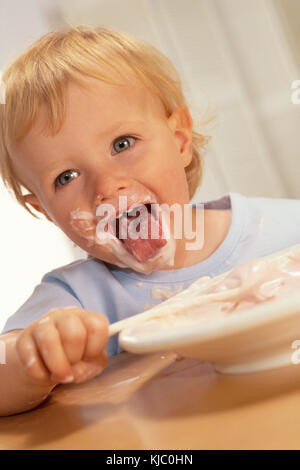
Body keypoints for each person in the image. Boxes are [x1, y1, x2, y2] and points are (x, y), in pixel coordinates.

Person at [0, 26, 300, 416]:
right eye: (66, 177)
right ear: (44, 210)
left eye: (122, 144)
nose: (107, 186)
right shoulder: (79, 297)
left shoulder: (285, 230)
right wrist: (33, 360)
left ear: (179, 141)